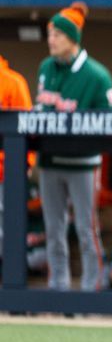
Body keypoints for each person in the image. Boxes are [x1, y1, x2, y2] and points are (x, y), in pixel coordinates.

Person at [33, 2, 112, 292]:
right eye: (50, 34)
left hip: (83, 163)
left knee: (86, 229)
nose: (51, 40)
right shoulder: (46, 67)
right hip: (50, 162)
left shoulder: (97, 74)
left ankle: (90, 291)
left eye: (57, 34)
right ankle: (58, 289)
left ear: (72, 38)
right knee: (53, 231)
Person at [0, 52, 33, 261]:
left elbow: (27, 127)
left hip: (4, 173)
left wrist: (25, 164)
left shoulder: (12, 82)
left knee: (6, 232)